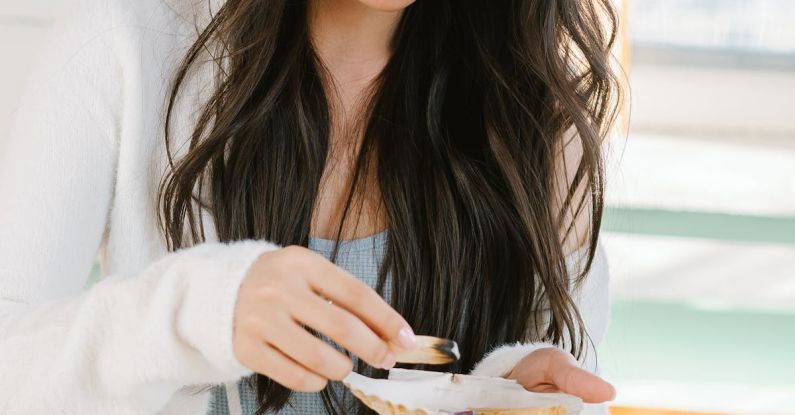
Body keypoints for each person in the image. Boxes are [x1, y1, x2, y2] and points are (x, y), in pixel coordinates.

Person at [0, 0, 623, 414]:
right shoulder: (121, 42)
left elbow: (563, 379)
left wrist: (496, 392)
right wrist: (193, 313)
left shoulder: (539, 128)